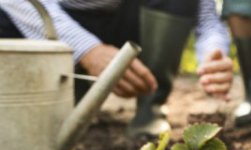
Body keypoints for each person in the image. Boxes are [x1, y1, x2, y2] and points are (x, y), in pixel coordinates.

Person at [0, 0, 233, 137]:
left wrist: (213, 54)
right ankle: (61, 102)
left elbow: (206, 18)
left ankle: (149, 107)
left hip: (129, 20)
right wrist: (87, 49)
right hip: (59, 20)